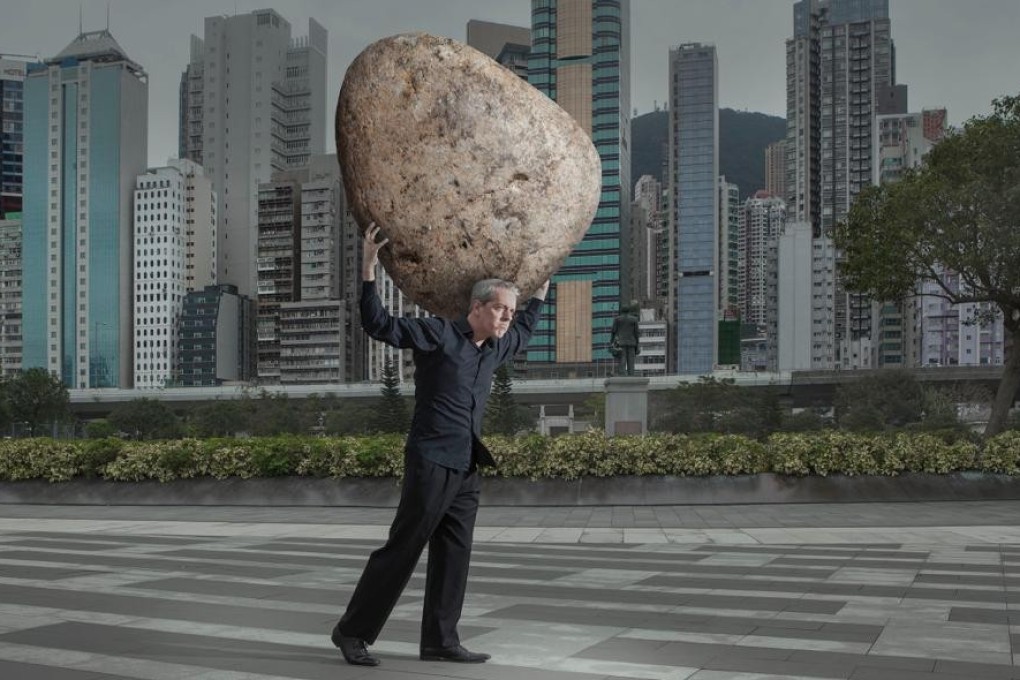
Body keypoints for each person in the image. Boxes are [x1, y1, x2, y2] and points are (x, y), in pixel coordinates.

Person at [331, 223, 549, 667]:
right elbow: (379, 324)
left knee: (455, 554)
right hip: (430, 461)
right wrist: (369, 267)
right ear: (476, 307)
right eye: (500, 309)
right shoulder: (439, 337)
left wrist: (541, 286)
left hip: (467, 466)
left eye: (511, 310)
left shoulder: (496, 350)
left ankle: (440, 640)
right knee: (403, 549)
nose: (508, 317)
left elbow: (526, 326)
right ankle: (351, 632)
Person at [609, 303, 640, 376]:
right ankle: (631, 375)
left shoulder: (617, 319)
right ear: (629, 311)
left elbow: (613, 332)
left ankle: (622, 376)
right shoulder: (634, 319)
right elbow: (636, 333)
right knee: (631, 362)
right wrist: (637, 344)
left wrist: (611, 343)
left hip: (621, 344)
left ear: (621, 311)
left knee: (622, 361)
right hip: (632, 343)